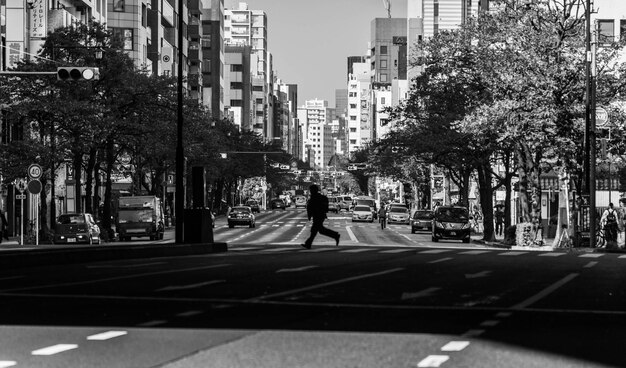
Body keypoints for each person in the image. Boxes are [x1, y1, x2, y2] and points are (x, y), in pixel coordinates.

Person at [301, 184, 340, 249]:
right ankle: (308, 243)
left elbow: (310, 207)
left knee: (315, 230)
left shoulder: (315, 197)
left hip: (318, 215)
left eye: (311, 190)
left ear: (314, 190)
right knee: (318, 230)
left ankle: (308, 243)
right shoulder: (319, 197)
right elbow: (310, 207)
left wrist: (310, 215)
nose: (310, 191)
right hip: (320, 215)